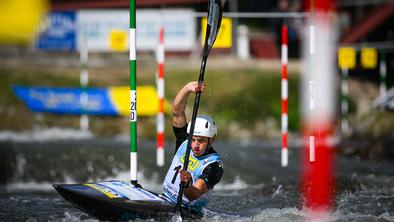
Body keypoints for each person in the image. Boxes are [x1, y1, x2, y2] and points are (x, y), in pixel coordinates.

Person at [162, 81, 224, 210]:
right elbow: (177, 112)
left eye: (201, 141)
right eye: (193, 139)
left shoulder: (213, 166)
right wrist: (187, 89)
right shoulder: (185, 141)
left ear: (212, 139)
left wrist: (187, 184)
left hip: (187, 210)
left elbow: (194, 194)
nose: (195, 145)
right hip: (164, 199)